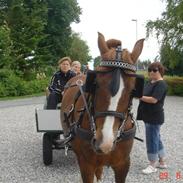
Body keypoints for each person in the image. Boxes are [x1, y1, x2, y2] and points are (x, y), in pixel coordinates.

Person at [136, 62, 168, 174]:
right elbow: (143, 93)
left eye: (154, 70)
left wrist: (139, 97)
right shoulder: (149, 82)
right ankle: (162, 162)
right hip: (147, 115)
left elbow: (154, 99)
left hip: (154, 116)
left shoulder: (161, 84)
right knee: (156, 138)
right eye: (150, 70)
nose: (151, 72)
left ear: (160, 71)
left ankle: (152, 164)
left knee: (152, 140)